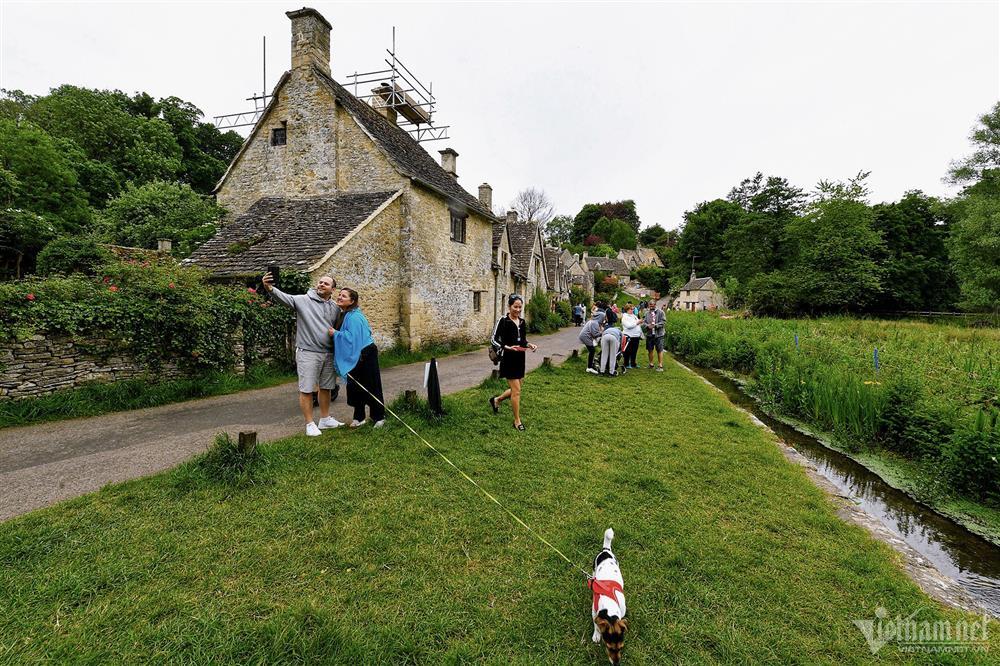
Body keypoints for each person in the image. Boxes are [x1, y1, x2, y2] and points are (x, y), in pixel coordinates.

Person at [262, 271, 343, 436]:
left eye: (326, 283)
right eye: (320, 282)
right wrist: (269, 288)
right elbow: (284, 298)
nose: (321, 284)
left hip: (328, 353)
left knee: (327, 387)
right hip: (308, 352)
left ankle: (325, 419)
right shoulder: (303, 300)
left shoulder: (335, 307)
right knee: (306, 389)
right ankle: (309, 424)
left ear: (333, 289)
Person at [330, 288, 385, 428]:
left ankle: (379, 417)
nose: (339, 297)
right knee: (354, 386)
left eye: (344, 296)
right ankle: (359, 417)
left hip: (365, 354)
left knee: (371, 385)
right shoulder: (345, 314)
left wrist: (335, 333)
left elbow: (352, 338)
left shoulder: (354, 317)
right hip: (356, 354)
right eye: (339, 295)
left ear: (352, 301)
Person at [488, 295, 537, 430]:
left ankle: (496, 400)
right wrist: (507, 347)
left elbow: (523, 341)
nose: (518, 310)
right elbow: (493, 340)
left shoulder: (522, 322)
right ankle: (517, 421)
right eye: (515, 307)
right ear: (509, 306)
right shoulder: (503, 321)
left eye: (520, 307)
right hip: (508, 359)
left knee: (517, 388)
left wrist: (529, 345)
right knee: (516, 392)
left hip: (520, 358)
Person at [579, 310, 605, 374]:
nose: (603, 319)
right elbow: (594, 334)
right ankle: (589, 367)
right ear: (600, 317)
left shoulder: (593, 321)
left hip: (585, 336)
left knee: (592, 350)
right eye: (603, 318)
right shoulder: (595, 323)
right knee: (592, 351)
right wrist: (602, 333)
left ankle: (591, 364)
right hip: (585, 337)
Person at [644, 300, 666, 371]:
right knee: (650, 350)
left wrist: (655, 325)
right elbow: (644, 322)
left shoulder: (661, 312)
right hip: (649, 334)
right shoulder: (646, 313)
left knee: (659, 350)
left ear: (655, 305)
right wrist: (647, 326)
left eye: (652, 305)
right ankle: (651, 364)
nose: (651, 306)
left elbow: (663, 322)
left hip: (659, 335)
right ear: (648, 305)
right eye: (650, 305)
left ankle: (660, 366)